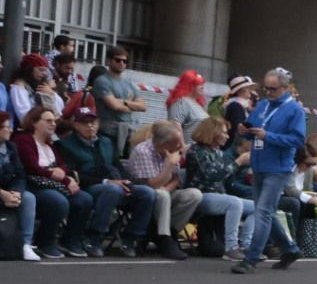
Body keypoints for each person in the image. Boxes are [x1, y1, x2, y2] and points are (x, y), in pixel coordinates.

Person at [56, 105, 157, 258]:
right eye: (85, 123)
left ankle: (130, 237)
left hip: (115, 183)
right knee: (112, 190)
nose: (90, 126)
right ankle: (94, 237)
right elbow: (74, 175)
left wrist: (125, 180)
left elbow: (116, 164)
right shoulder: (64, 144)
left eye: (93, 122)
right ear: (76, 125)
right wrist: (106, 182)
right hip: (88, 186)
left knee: (147, 193)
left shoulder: (106, 142)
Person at [232, 67, 306, 273]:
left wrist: (268, 136)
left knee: (263, 212)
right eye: (266, 88)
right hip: (259, 164)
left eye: (273, 89)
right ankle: (290, 249)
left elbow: (298, 139)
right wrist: (245, 132)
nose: (268, 93)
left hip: (278, 167)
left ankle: (251, 258)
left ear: (284, 88)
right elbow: (254, 131)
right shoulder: (263, 105)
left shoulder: (295, 110)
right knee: (265, 211)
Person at [15, 106, 92, 257]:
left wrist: (65, 176)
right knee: (57, 201)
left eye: (54, 121)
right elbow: (32, 167)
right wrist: (62, 177)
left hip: (53, 183)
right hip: (34, 184)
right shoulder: (24, 140)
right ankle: (45, 242)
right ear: (34, 122)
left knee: (84, 199)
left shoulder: (49, 143)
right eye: (48, 121)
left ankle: (70, 240)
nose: (53, 124)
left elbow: (61, 164)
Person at [126, 120, 203, 260]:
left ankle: (167, 232)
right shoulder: (143, 151)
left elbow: (177, 179)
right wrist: (168, 166)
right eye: (177, 143)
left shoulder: (173, 151)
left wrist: (167, 187)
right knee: (161, 195)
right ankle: (165, 238)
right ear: (164, 145)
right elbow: (151, 186)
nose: (182, 146)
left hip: (165, 190)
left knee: (194, 194)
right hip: (143, 194)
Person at [187, 115, 256, 260]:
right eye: (223, 132)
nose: (227, 136)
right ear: (212, 133)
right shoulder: (197, 151)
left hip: (219, 194)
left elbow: (226, 178)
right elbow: (212, 176)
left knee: (258, 207)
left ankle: (246, 245)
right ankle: (231, 247)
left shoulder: (218, 152)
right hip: (201, 194)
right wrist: (238, 162)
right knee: (234, 202)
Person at [0, 110, 42, 260]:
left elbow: (20, 174)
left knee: (28, 198)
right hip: (1, 193)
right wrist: (3, 194)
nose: (10, 130)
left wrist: (16, 191)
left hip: (8, 191)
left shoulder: (11, 147)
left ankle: (25, 244)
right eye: (6, 127)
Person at [91, 46, 147, 156]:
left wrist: (125, 102)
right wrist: (131, 105)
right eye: (118, 60)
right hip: (108, 131)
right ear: (109, 61)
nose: (121, 63)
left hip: (129, 131)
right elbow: (115, 106)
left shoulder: (129, 82)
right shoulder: (102, 81)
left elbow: (143, 106)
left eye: (125, 61)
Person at [9, 53, 56, 121]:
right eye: (40, 70)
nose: (44, 73)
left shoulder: (36, 84)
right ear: (29, 69)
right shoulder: (19, 86)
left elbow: (59, 110)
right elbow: (24, 116)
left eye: (45, 70)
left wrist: (51, 93)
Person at [167, 70, 209, 140]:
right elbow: (174, 126)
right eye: (199, 84)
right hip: (187, 149)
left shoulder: (198, 104)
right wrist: (182, 148)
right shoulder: (180, 102)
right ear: (189, 85)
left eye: (202, 84)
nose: (202, 87)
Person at [222, 75, 255, 145]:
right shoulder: (236, 106)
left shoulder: (241, 105)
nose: (251, 90)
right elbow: (239, 130)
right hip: (236, 147)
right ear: (240, 90)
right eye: (248, 87)